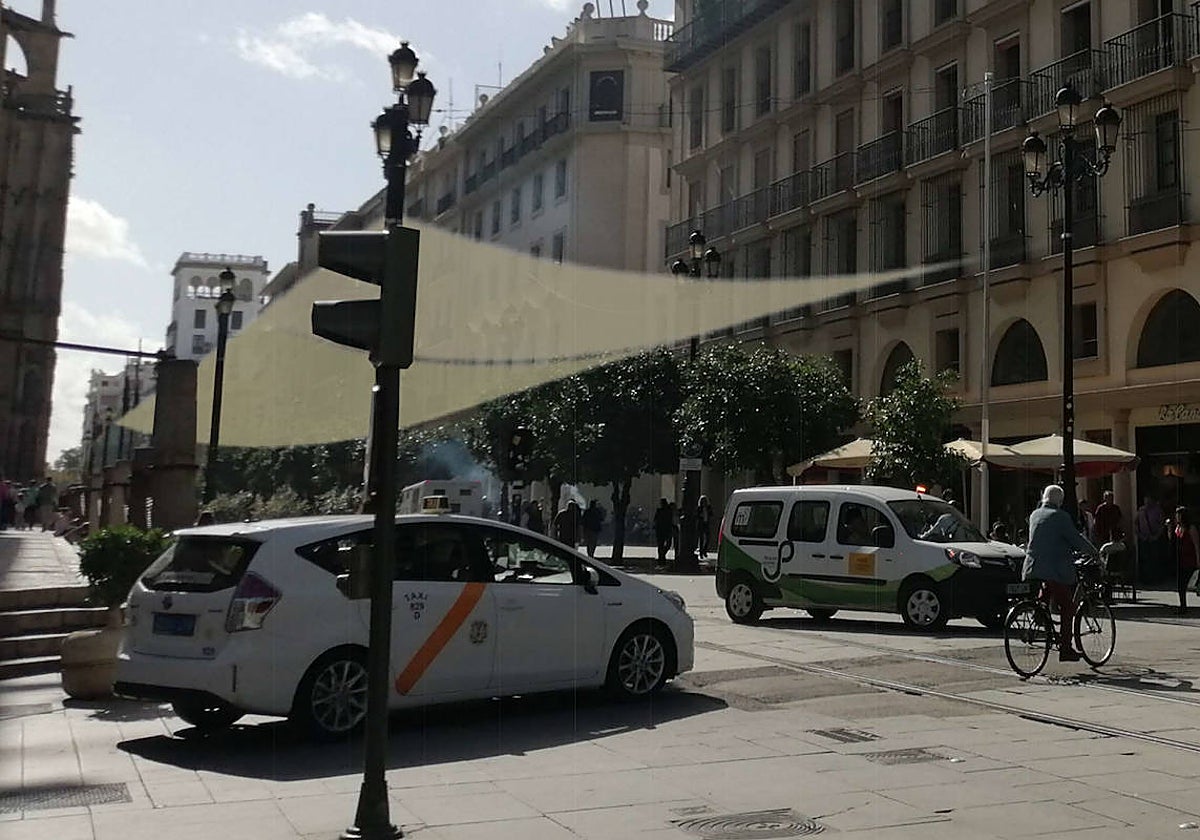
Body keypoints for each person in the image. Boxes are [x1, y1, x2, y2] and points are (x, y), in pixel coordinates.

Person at [1022, 484, 1098, 662]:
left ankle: (1039, 614)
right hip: (1053, 568)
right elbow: (1075, 538)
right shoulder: (1060, 516)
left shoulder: (1035, 515)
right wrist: (1093, 551)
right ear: (1060, 501)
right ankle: (1066, 648)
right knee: (1068, 607)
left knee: (1047, 592)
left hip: (1033, 566)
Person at [1135, 495, 1166, 585]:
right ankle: (1146, 579)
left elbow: (1161, 524)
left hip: (1154, 538)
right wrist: (1140, 535)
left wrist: (1157, 535)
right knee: (1145, 559)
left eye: (1149, 500)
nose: (1147, 502)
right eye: (1145, 500)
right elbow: (1136, 524)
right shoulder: (1141, 511)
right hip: (1144, 538)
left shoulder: (1157, 510)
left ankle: (1155, 578)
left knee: (1155, 559)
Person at [1174, 507, 1199, 615]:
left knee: (1190, 582)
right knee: (1181, 584)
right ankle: (1182, 606)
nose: (1177, 517)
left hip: (1190, 558)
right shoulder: (1178, 527)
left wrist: (1198, 559)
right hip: (1181, 558)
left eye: (1179, 515)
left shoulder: (1191, 528)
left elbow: (1196, 544)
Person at [653, 498, 673, 564]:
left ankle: (662, 556)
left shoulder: (668, 511)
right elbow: (655, 519)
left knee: (664, 545)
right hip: (662, 529)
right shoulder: (660, 511)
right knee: (662, 545)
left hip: (664, 529)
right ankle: (661, 557)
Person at [696, 495, 714, 559]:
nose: (704, 502)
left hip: (706, 524)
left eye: (705, 501)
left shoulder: (708, 507)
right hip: (701, 525)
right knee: (701, 539)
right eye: (703, 501)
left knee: (708, 538)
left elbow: (712, 514)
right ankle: (701, 553)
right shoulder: (699, 508)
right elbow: (696, 516)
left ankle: (704, 550)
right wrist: (700, 515)